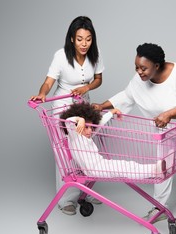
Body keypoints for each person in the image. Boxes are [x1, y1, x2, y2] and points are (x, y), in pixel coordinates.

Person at [92, 43, 176, 225]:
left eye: (143, 68)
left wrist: (169, 113)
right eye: (136, 67)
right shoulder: (141, 79)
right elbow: (126, 96)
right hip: (167, 129)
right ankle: (159, 207)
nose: (139, 72)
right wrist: (101, 106)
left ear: (157, 65)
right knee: (162, 165)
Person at [30, 16, 104, 215]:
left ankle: (86, 192)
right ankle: (66, 200)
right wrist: (43, 94)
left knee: (87, 149)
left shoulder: (94, 55)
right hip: (63, 109)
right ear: (72, 38)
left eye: (88, 39)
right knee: (67, 153)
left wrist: (86, 87)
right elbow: (48, 82)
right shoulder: (61, 56)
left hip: (84, 109)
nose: (84, 44)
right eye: (79, 39)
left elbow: (98, 79)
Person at [59, 102, 166, 179]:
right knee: (124, 169)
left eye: (91, 127)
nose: (90, 131)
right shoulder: (75, 136)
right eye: (86, 127)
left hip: (101, 165)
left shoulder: (87, 135)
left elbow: (100, 123)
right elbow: (68, 121)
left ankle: (155, 168)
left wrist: (112, 112)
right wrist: (79, 119)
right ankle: (154, 171)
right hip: (94, 170)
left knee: (126, 164)